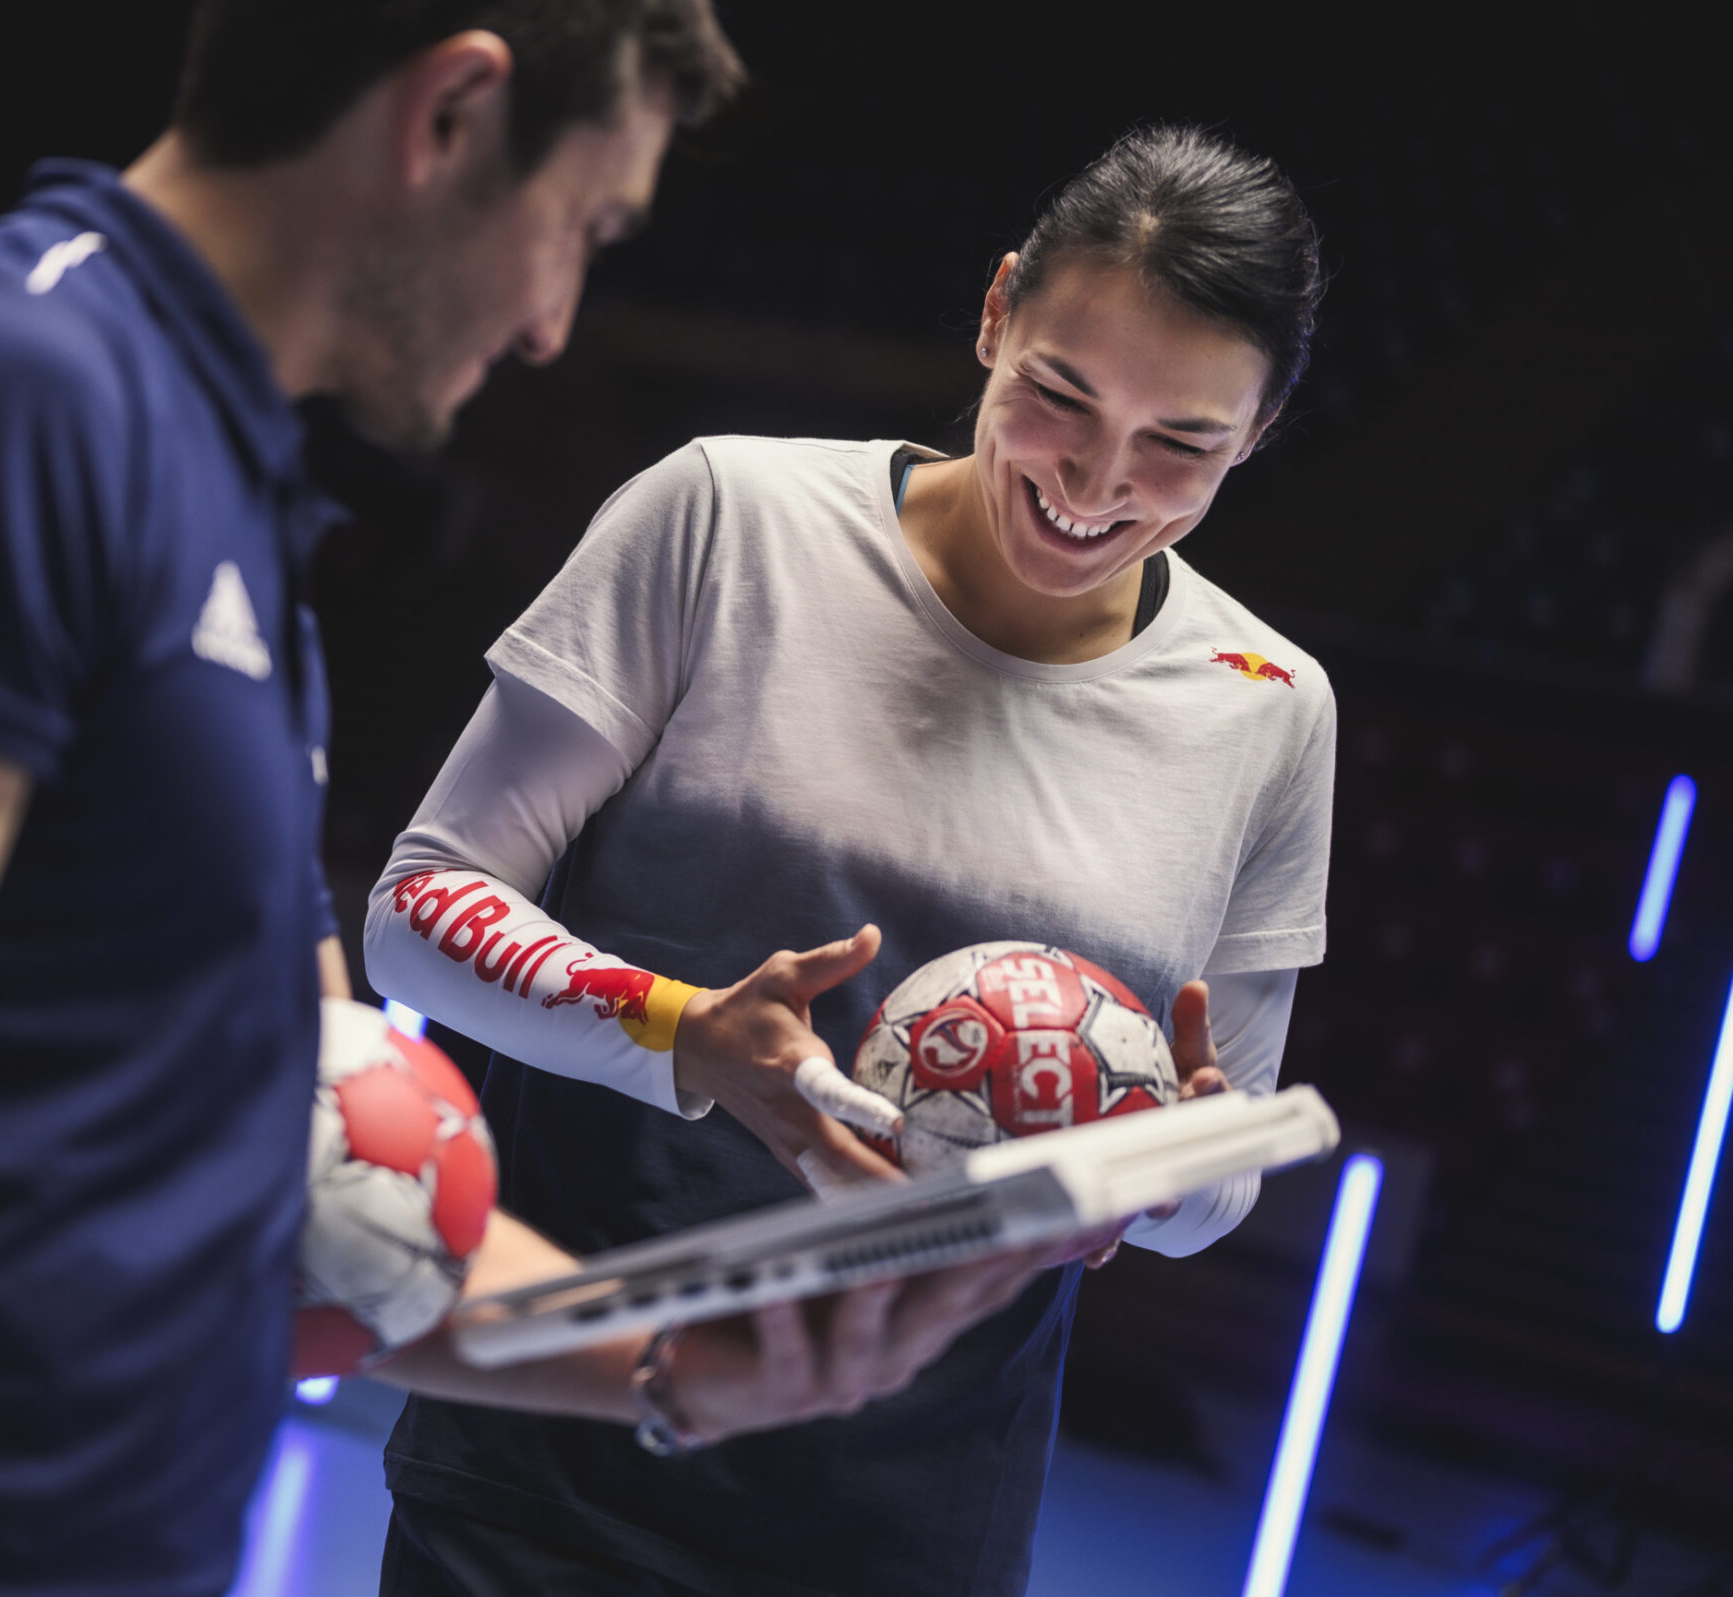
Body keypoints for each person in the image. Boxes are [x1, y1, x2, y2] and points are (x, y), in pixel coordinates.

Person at [0, 6, 1066, 1597]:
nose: (550, 322)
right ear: (449, 116)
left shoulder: (227, 489)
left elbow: (298, 1173)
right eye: (578, 228)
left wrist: (673, 1361)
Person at [366, 124, 1336, 1595]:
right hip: (554, 1457)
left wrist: (1165, 1164)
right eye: (1060, 394)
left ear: (1259, 431)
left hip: (918, 1522)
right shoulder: (727, 516)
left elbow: (1217, 1187)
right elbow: (418, 913)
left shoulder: (1268, 709)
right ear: (998, 308)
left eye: (1183, 443)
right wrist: (686, 1033)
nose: (1095, 480)